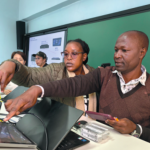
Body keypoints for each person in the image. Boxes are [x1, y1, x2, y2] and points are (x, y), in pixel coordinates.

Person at [0, 31, 150, 142]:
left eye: (124, 50)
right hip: (97, 140)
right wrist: (37, 89)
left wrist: (137, 129)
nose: (117, 55)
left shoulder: (96, 72)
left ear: (142, 52)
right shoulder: (103, 74)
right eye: (116, 50)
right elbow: (73, 84)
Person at [1, 39, 97, 115]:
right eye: (66, 54)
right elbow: (29, 76)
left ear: (84, 56)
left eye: (74, 53)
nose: (69, 57)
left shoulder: (94, 74)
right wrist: (12, 64)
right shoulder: (55, 70)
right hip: (64, 126)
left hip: (93, 128)